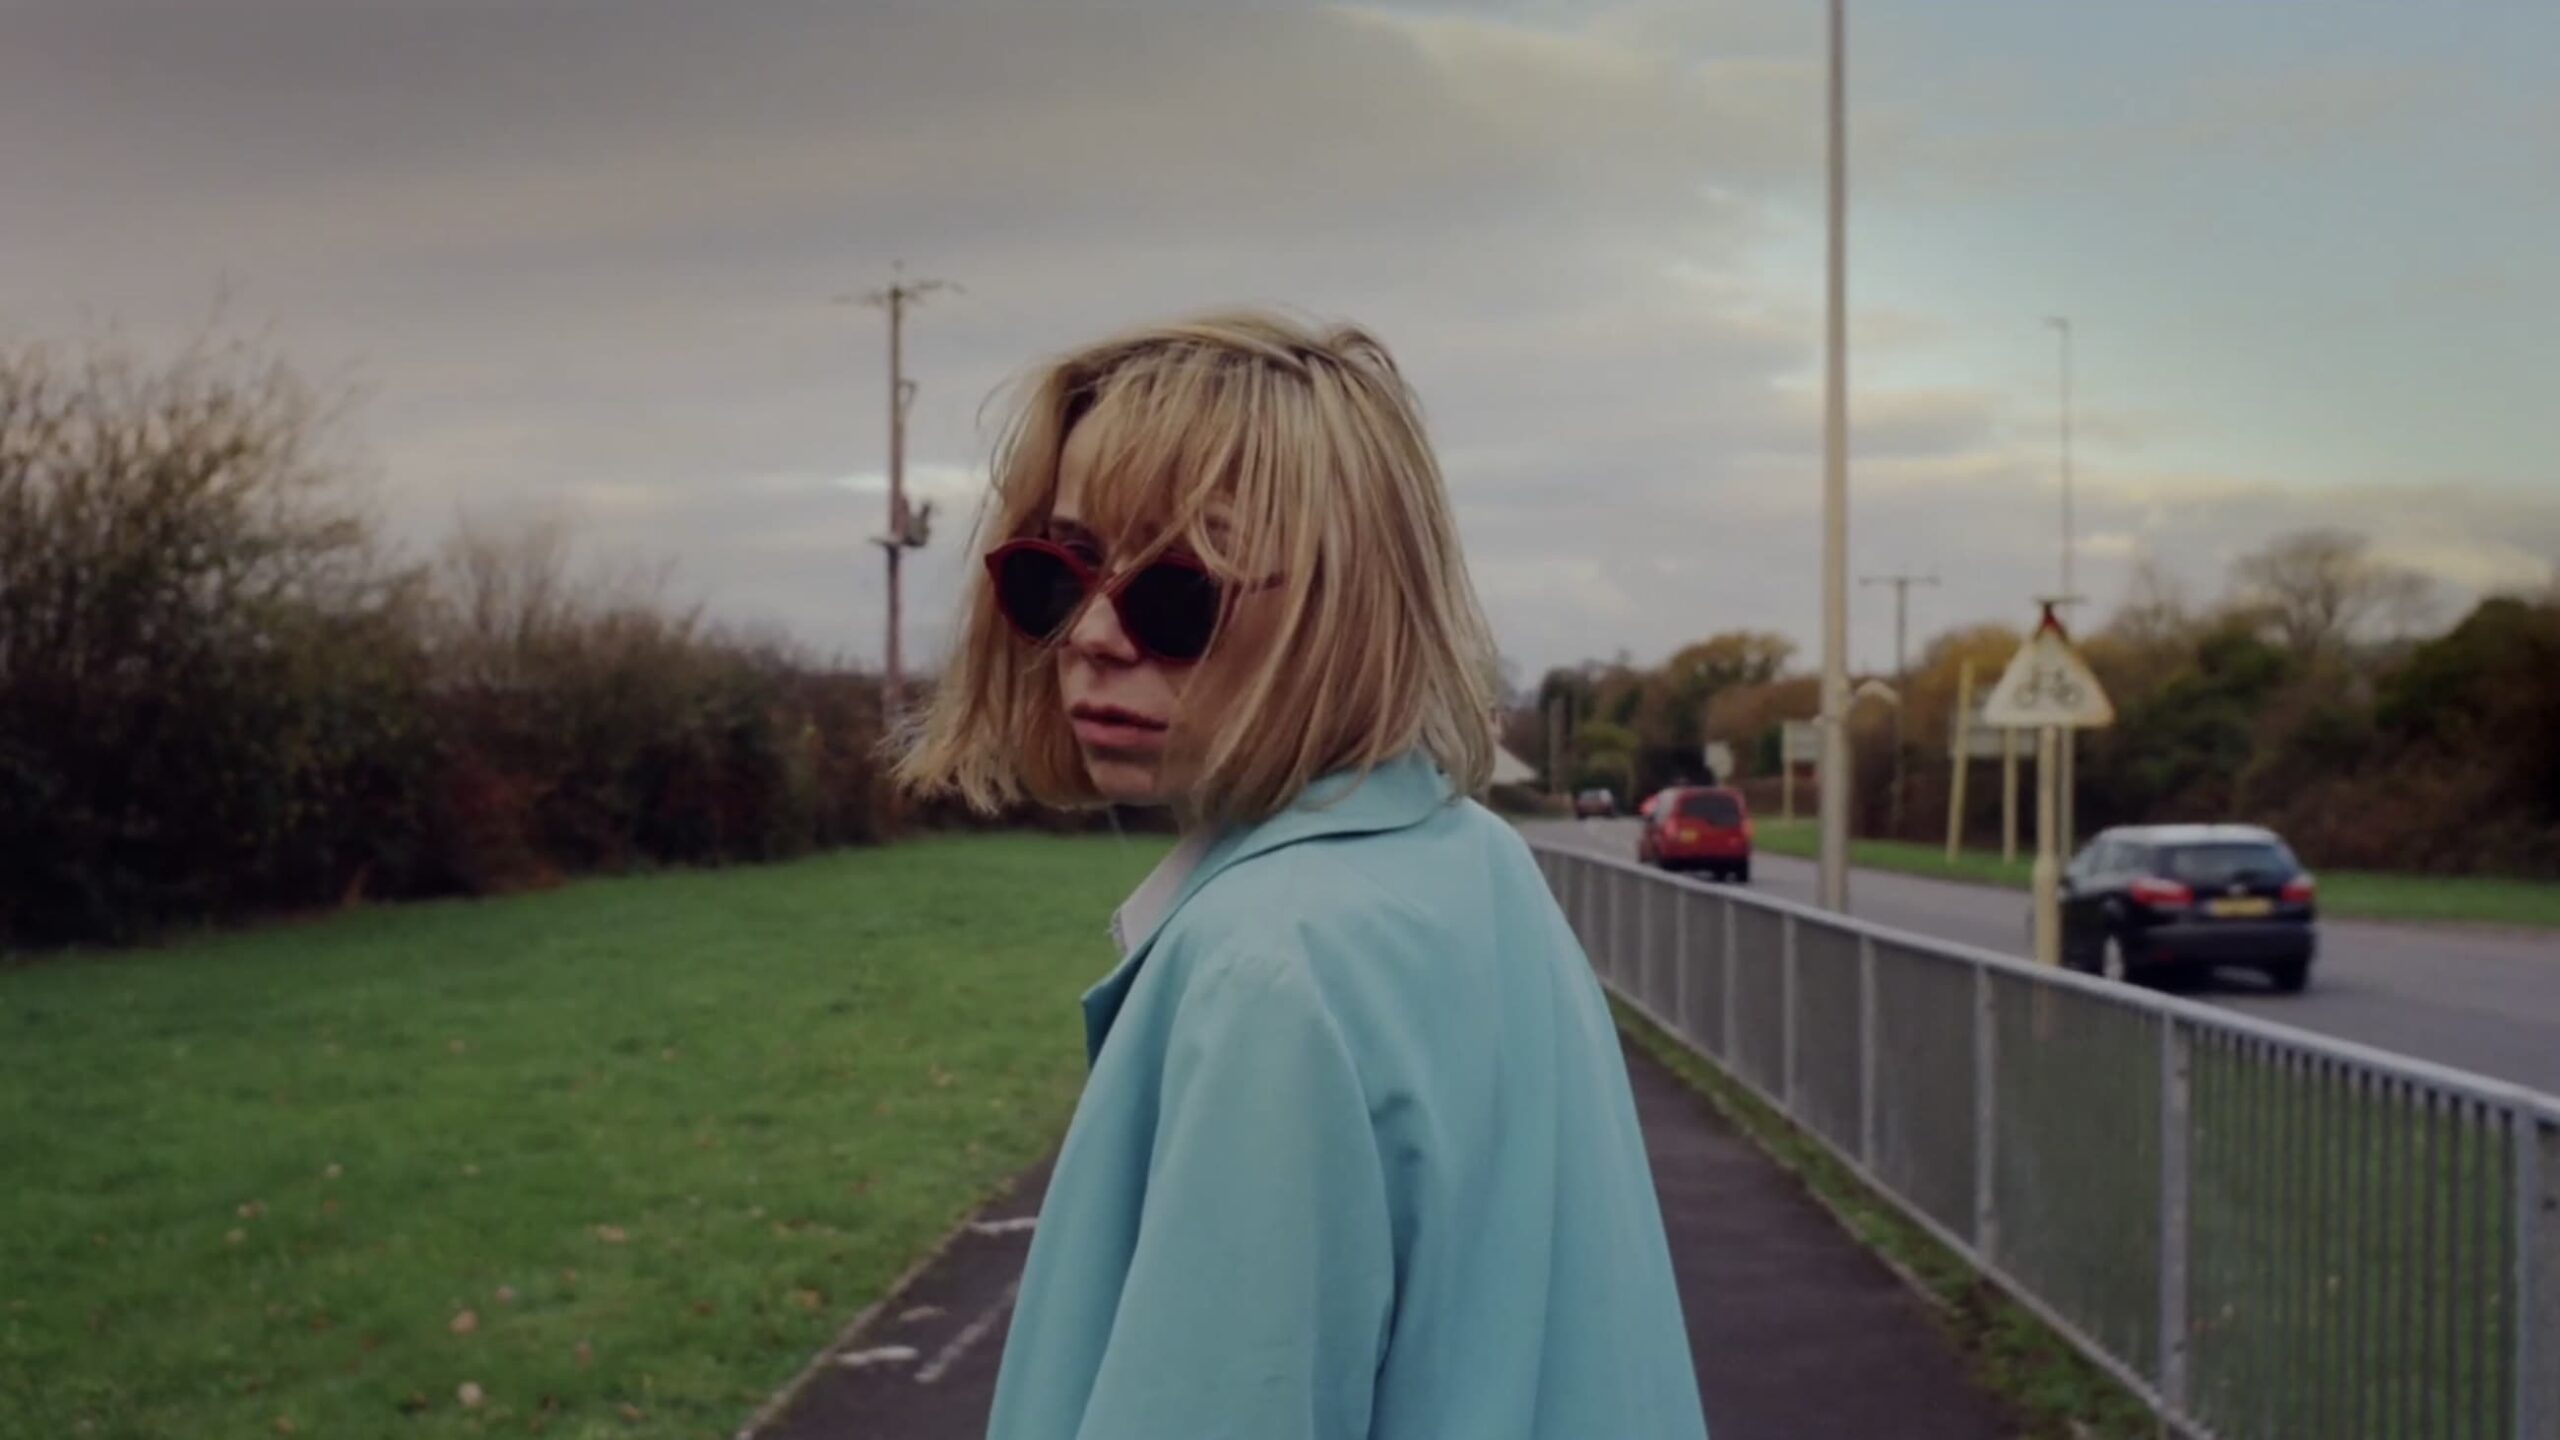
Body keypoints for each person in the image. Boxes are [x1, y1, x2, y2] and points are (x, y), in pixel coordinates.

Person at [896, 311, 1708, 1439]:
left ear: (1343, 609)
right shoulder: (1472, 862)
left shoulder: (1270, 967)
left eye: (1178, 588)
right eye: (1059, 571)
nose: (1090, 633)